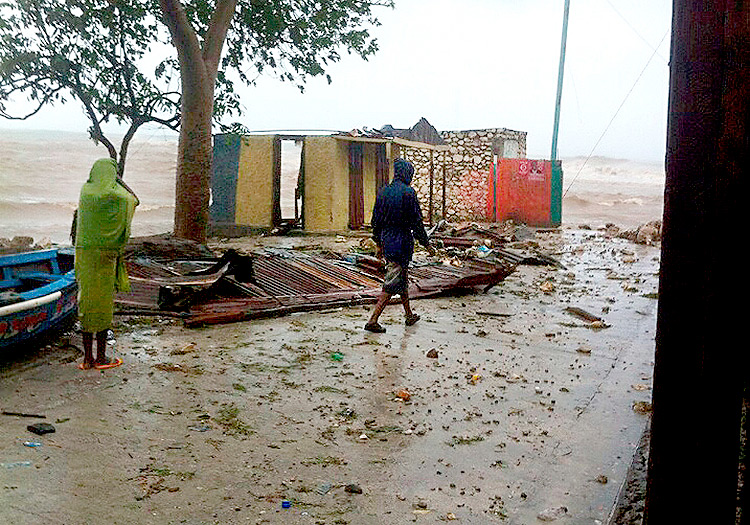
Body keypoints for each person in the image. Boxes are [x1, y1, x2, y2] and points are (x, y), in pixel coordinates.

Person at [74, 158, 138, 369]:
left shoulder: (86, 190)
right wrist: (119, 181)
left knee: (87, 302)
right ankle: (101, 358)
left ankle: (87, 358)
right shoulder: (117, 196)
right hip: (107, 254)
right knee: (103, 304)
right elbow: (134, 200)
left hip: (85, 253)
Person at [365, 158, 435, 333]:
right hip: (401, 243)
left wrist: (379, 244)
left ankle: (409, 315)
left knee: (401, 279)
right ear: (407, 174)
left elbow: (376, 222)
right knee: (391, 283)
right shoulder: (408, 193)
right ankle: (373, 320)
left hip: (388, 241)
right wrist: (427, 245)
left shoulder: (383, 192)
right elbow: (416, 223)